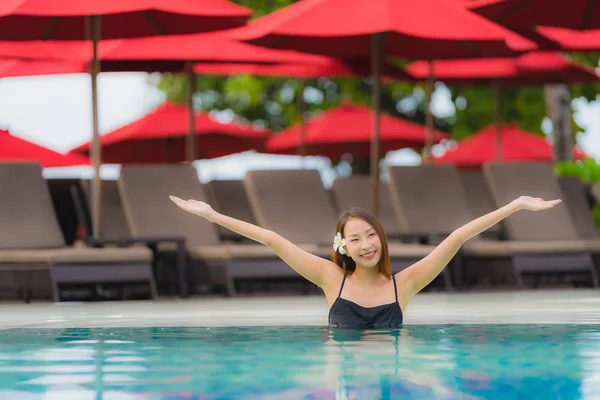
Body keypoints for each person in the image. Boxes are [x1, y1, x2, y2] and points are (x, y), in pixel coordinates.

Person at [169, 194, 561, 329]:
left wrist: (515, 206)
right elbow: (272, 239)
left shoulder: (403, 284)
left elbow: (458, 237)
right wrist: (212, 216)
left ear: (381, 238)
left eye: (371, 235)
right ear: (344, 246)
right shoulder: (329, 278)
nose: (366, 244)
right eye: (355, 239)